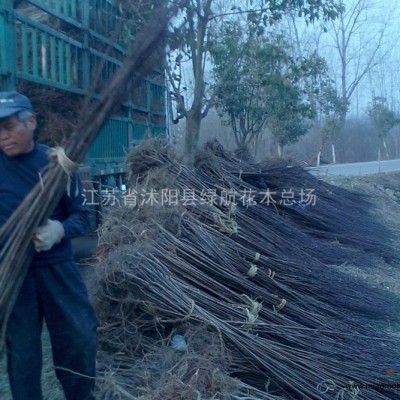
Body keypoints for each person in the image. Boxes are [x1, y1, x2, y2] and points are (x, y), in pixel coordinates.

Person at [0, 91, 97, 400]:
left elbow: (84, 216)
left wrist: (59, 230)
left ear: (31, 122)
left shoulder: (57, 164)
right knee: (23, 357)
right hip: (15, 275)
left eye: (9, 126)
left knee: (77, 343)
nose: (2, 136)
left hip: (58, 269)